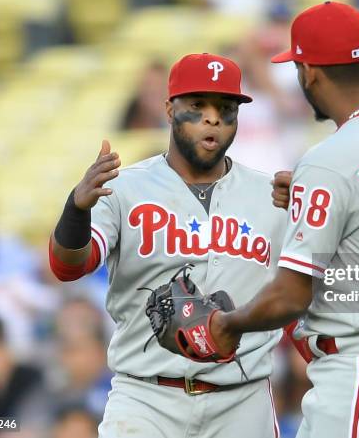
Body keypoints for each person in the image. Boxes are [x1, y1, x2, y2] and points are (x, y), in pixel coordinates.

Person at [202, 1, 359, 438]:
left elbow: (290, 296)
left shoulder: (330, 159)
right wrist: (303, 203)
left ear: (310, 73)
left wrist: (224, 325)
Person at [48, 52, 286, 438]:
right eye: (197, 105)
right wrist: (75, 210)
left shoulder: (272, 196)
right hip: (146, 397)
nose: (212, 117)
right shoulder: (123, 188)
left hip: (242, 400)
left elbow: (328, 282)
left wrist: (318, 215)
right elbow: (68, 266)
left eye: (226, 108)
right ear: (169, 109)